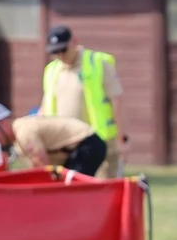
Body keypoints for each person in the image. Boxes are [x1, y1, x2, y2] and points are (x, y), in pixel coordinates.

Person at [39, 25, 126, 178]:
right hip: (65, 146)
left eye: (63, 50)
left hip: (99, 142)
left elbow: (116, 101)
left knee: (103, 190)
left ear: (74, 41)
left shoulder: (98, 63)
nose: (60, 55)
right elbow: (46, 105)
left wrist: (122, 138)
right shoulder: (52, 70)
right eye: (55, 52)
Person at [0, 102, 107, 177]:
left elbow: (44, 168)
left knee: (72, 187)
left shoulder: (24, 133)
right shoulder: (19, 138)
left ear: (3, 123)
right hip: (82, 147)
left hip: (88, 144)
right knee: (68, 186)